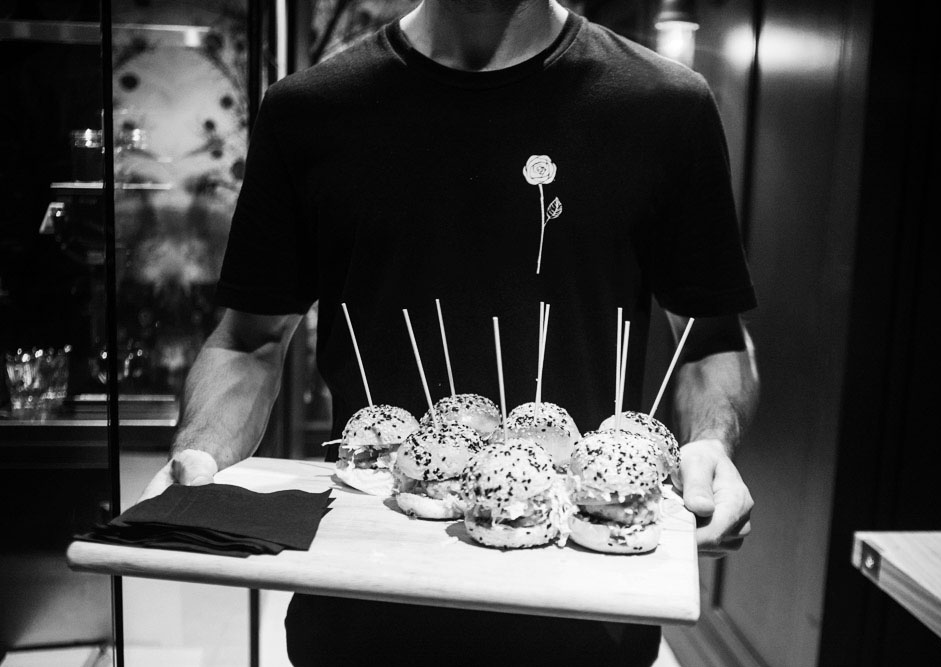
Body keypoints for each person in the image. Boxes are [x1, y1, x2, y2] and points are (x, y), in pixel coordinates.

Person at [141, 1, 759, 664]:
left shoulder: (665, 107)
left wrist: (710, 445)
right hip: (362, 614)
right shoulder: (308, 111)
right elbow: (248, 341)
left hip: (587, 622)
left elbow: (709, 339)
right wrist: (199, 453)